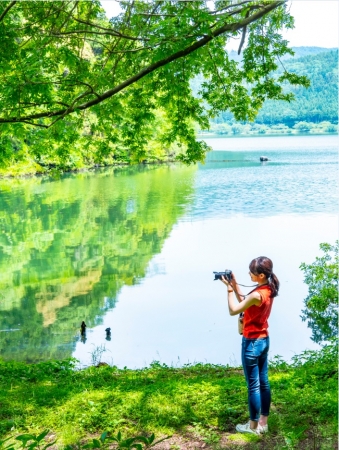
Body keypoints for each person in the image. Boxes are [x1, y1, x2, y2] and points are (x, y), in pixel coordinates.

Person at [220, 256, 280, 435]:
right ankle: (263, 422)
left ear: (261, 275)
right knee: (263, 382)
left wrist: (230, 291)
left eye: (252, 273)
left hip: (252, 343)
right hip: (263, 340)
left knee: (253, 385)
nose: (249, 274)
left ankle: (252, 427)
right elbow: (247, 300)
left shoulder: (257, 294)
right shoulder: (268, 288)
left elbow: (233, 310)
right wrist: (235, 283)